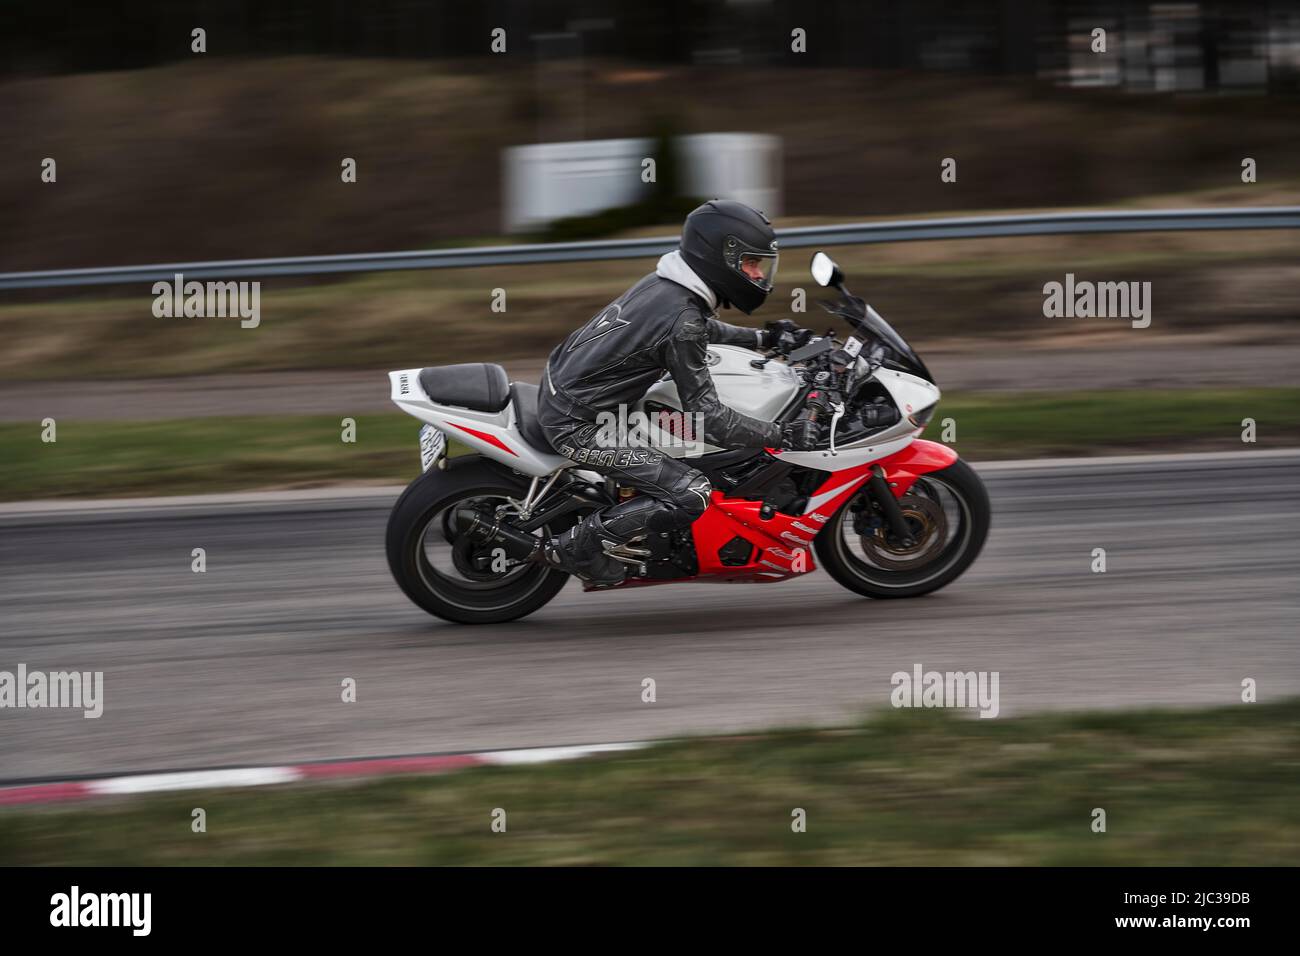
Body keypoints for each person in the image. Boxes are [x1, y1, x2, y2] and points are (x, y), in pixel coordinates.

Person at [535, 199, 816, 586]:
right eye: (751, 264)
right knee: (692, 491)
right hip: (578, 425)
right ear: (723, 257)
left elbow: (701, 330)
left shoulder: (669, 285)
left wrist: (763, 337)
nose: (757, 274)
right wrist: (781, 435)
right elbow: (710, 420)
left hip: (569, 393)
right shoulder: (681, 317)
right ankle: (577, 549)